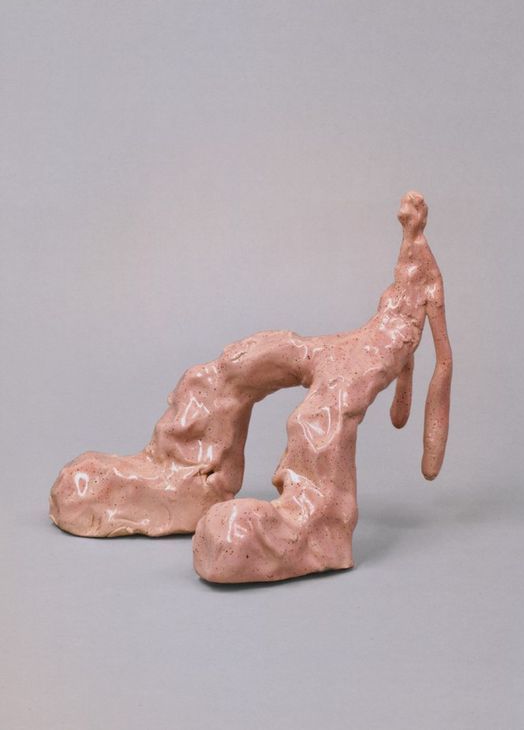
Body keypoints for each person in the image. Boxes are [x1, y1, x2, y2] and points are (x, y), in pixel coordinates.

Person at [50, 192, 452, 583]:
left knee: (320, 416)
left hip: (366, 357)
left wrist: (417, 411)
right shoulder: (407, 265)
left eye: (411, 211)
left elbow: (442, 358)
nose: (405, 215)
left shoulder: (428, 278)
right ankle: (185, 470)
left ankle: (318, 519)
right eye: (405, 210)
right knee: (236, 364)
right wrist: (403, 396)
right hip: (352, 345)